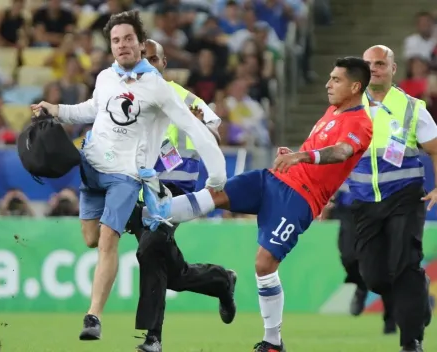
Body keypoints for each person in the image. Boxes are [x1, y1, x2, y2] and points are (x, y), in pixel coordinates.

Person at [141, 57, 373, 352]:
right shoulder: (333, 111)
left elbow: (341, 152)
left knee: (264, 264)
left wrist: (301, 157)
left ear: (355, 86)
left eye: (336, 80)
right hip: (273, 179)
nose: (328, 84)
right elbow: (321, 150)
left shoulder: (361, 123)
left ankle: (273, 342)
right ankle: (150, 213)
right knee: (216, 193)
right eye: (329, 78)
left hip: (300, 199)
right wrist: (295, 154)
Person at [31, 10, 227, 341]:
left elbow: (198, 125)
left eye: (129, 39)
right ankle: (218, 281)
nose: (123, 45)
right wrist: (57, 109)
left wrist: (217, 174)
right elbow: (92, 108)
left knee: (113, 240)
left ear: (141, 45)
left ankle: (98, 318)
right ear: (111, 45)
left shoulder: (162, 89)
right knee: (92, 239)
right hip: (93, 167)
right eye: (116, 40)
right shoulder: (106, 77)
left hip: (134, 179)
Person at [128, 39, 237, 352]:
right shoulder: (126, 102)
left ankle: (153, 339)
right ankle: (220, 280)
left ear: (163, 64)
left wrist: (201, 127)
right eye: (140, 60)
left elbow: (218, 133)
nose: (145, 65)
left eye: (152, 59)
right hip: (138, 191)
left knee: (150, 250)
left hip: (173, 193)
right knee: (169, 270)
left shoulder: (184, 98)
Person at [346, 45, 436, 352]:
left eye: (381, 63)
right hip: (364, 201)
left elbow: (435, 149)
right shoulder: (347, 107)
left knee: (405, 266)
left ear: (393, 69)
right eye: (368, 63)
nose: (374, 68)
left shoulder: (412, 107)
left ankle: (411, 342)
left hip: (405, 197)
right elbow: (330, 150)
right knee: (374, 279)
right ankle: (420, 294)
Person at [322, 184, 397, 334]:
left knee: (383, 266)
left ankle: (390, 320)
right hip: (348, 209)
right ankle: (361, 284)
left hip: (379, 207)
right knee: (348, 257)